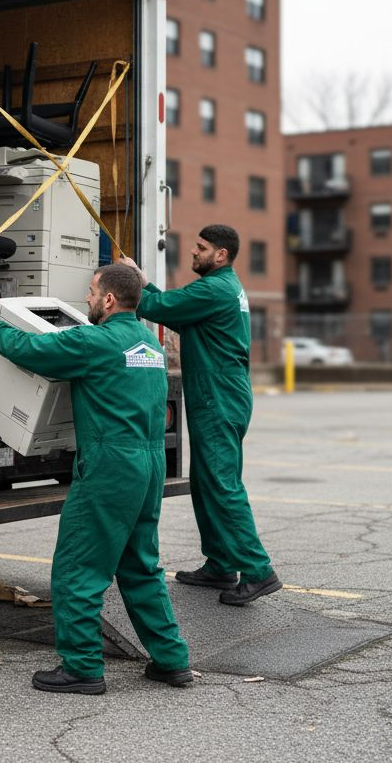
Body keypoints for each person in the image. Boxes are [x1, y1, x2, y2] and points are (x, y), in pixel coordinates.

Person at [0, 263, 191, 695]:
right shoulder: (149, 344)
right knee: (140, 566)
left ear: (109, 299)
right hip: (147, 465)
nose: (87, 300)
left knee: (78, 567)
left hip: (109, 467)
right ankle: (172, 660)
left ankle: (82, 669)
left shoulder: (97, 341)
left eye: (92, 292)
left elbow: (35, 352)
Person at [118, 225, 282, 606]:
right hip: (222, 393)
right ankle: (222, 562)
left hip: (218, 395)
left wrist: (133, 283)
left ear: (220, 255)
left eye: (201, 247)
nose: (193, 251)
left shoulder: (215, 289)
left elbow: (158, 308)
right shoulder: (223, 287)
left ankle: (258, 569)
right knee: (208, 481)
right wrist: (143, 280)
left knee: (221, 482)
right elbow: (176, 313)